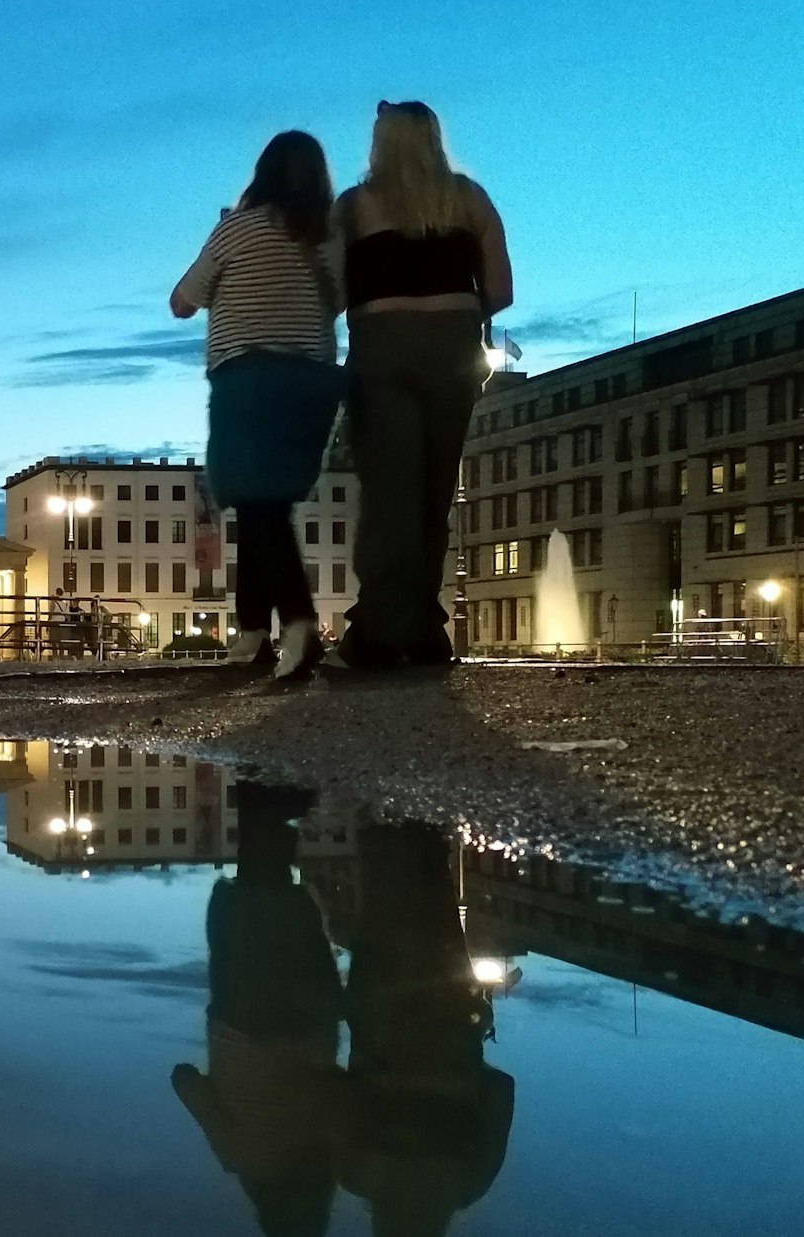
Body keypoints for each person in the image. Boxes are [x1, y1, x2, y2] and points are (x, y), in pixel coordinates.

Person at [335, 102, 513, 669]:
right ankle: (425, 628)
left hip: (381, 348)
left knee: (390, 490)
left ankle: (377, 630)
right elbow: (502, 291)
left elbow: (331, 293)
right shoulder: (470, 199)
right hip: (452, 351)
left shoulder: (355, 206)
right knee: (435, 490)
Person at [170, 131, 346, 680]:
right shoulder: (330, 233)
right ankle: (251, 632)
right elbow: (339, 301)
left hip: (248, 381)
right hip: (312, 383)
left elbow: (182, 301)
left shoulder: (237, 228)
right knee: (263, 507)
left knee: (258, 503)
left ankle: (297, 623)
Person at [172, 783, 344, 1237]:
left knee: (288, 910)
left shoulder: (327, 1158)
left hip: (309, 1024)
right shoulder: (236, 1155)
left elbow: (338, 1092)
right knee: (247, 907)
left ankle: (272, 812)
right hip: (240, 1018)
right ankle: (258, 808)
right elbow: (184, 1079)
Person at [342, 822, 515, 1234]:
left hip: (446, 1018)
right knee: (384, 889)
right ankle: (392, 810)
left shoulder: (467, 1184)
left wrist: (457, 1074)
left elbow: (501, 1090)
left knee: (434, 901)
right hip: (384, 1010)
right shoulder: (358, 1175)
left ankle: (421, 821)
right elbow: (343, 1092)